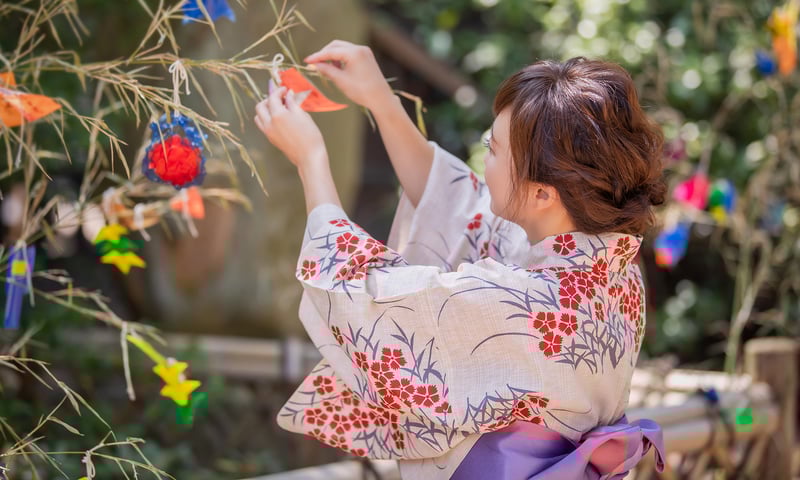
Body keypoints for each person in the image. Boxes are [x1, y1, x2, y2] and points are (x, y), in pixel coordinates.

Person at [254, 40, 667, 480]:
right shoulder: (612, 267)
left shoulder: (523, 305)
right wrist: (381, 100)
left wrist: (312, 161)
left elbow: (365, 300)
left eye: (493, 149)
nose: (484, 158)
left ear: (543, 193)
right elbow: (457, 207)